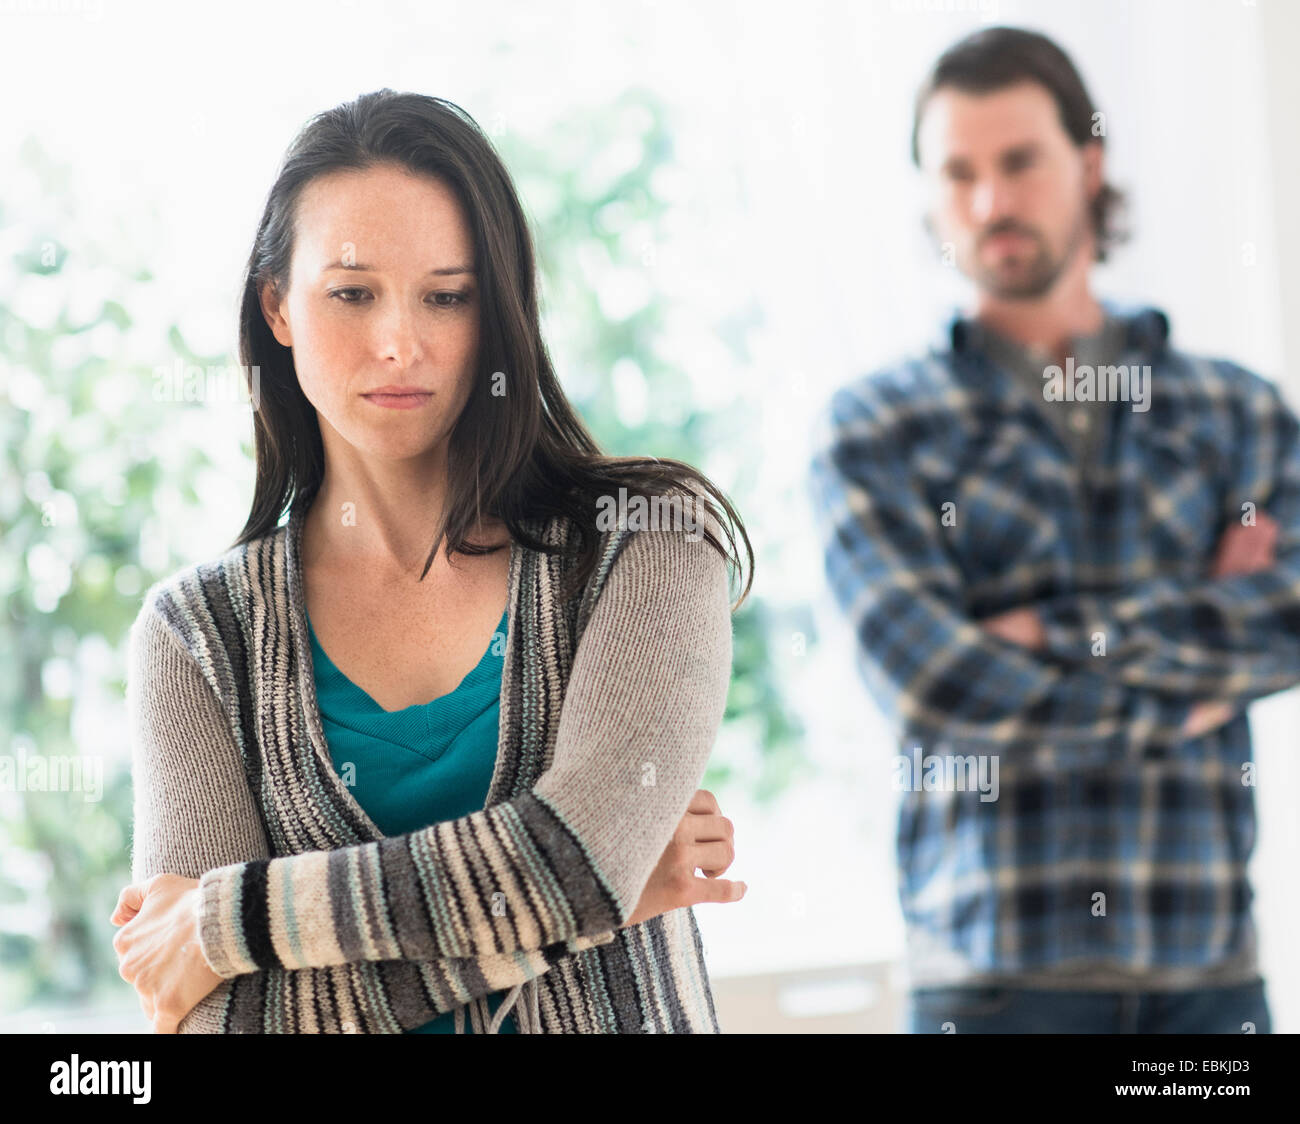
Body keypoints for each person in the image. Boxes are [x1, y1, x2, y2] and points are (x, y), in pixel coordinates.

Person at [110, 89, 751, 1034]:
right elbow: (215, 1022)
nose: (401, 343)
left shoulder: (646, 543)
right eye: (352, 292)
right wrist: (573, 902)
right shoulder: (198, 638)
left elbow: (586, 862)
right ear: (278, 306)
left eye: (447, 296)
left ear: (496, 315)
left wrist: (231, 918)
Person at [809, 27, 1300, 1034]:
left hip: (1209, 981)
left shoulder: (1234, 410)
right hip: (989, 987)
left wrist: (1048, 634)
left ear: (1088, 161)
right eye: (958, 173)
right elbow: (934, 684)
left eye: (1018, 161)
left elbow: (1286, 615)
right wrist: (1191, 682)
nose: (990, 202)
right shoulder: (876, 429)